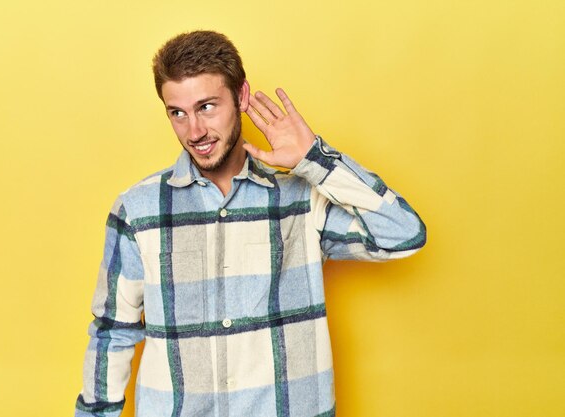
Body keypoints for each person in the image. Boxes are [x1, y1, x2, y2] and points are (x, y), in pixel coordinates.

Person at [75, 30, 426, 417]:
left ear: (241, 97)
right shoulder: (139, 209)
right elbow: (113, 333)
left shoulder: (300, 199)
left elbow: (404, 235)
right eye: (177, 113)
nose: (194, 131)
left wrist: (315, 159)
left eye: (207, 106)